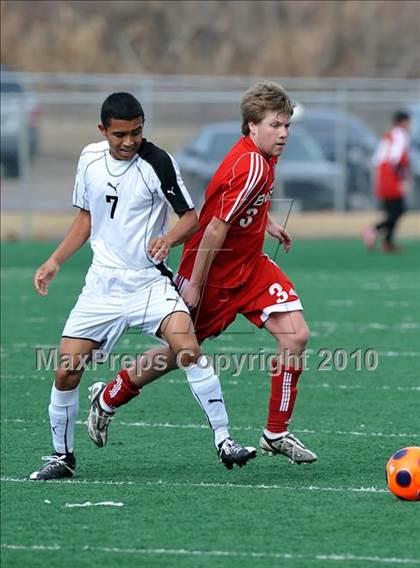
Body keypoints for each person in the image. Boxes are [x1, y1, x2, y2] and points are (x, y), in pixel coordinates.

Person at [30, 92, 256, 481]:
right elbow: (86, 219)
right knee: (66, 371)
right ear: (102, 130)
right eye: (119, 135)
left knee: (187, 347)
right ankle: (61, 457)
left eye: (136, 132)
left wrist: (167, 239)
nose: (129, 141)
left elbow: (191, 217)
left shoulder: (157, 162)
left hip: (148, 281)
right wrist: (54, 261)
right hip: (102, 285)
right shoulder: (88, 160)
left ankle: (225, 441)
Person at [94, 82, 317, 465]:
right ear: (251, 126)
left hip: (251, 268)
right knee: (179, 352)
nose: (283, 133)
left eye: (287, 125)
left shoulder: (260, 157)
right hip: (214, 272)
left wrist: (267, 223)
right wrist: (195, 284)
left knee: (296, 337)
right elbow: (214, 227)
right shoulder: (251, 164)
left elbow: (236, 204)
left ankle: (276, 432)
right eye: (275, 125)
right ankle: (111, 394)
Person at [363, 110, 411, 253]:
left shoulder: (389, 135)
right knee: (398, 209)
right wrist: (402, 180)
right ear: (403, 122)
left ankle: (387, 242)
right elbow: (394, 160)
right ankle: (373, 231)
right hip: (390, 176)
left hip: (383, 174)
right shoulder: (400, 135)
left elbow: (377, 158)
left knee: (394, 210)